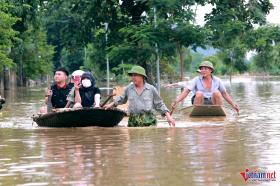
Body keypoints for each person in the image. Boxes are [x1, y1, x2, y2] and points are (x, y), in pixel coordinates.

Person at [104, 65, 175, 127]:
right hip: (133, 121)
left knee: (148, 141)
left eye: (135, 75)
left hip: (148, 120)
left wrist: (169, 117)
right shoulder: (129, 88)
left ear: (142, 77)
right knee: (134, 142)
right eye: (132, 75)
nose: (133, 77)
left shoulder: (151, 89)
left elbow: (159, 104)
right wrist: (111, 104)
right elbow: (122, 99)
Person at [171, 61, 239, 113]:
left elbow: (224, 94)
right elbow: (186, 91)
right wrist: (176, 102)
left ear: (211, 70)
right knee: (199, 93)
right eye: (202, 69)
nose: (203, 71)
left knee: (216, 93)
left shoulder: (217, 80)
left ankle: (218, 112)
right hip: (199, 101)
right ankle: (197, 112)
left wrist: (233, 104)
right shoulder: (196, 79)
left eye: (205, 69)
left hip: (212, 102)